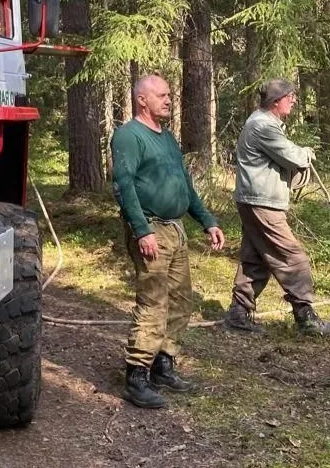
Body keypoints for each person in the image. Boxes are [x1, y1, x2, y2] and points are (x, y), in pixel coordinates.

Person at [111, 75, 226, 409]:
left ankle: (163, 364)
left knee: (180, 300)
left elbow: (185, 186)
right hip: (152, 230)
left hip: (175, 230)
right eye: (161, 95)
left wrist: (207, 221)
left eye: (169, 95)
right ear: (142, 100)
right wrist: (142, 230)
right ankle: (136, 376)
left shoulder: (168, 138)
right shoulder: (129, 136)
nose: (168, 100)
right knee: (153, 302)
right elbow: (123, 185)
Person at [224, 79, 330, 337]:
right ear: (276, 101)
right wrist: (306, 152)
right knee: (293, 257)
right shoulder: (263, 126)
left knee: (255, 260)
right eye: (290, 97)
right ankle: (306, 318)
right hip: (262, 203)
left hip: (254, 200)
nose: (294, 100)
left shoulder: (261, 122)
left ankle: (238, 314)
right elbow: (293, 156)